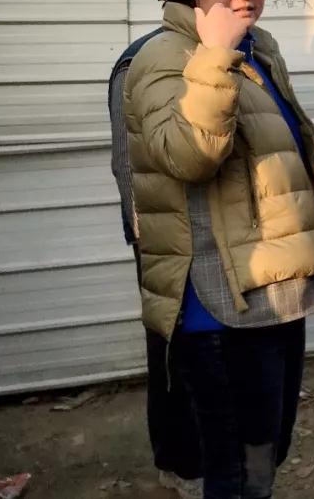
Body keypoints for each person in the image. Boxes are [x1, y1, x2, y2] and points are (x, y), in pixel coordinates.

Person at [123, 0, 314, 498]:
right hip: (219, 304)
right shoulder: (161, 58)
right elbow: (188, 157)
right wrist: (214, 56)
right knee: (231, 464)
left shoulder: (260, 47)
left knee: (267, 446)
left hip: (276, 286)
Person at [108, 24, 203, 498]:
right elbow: (128, 165)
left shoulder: (235, 50)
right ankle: (179, 463)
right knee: (173, 352)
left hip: (221, 238)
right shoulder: (139, 59)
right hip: (168, 239)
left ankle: (213, 454)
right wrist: (150, 243)